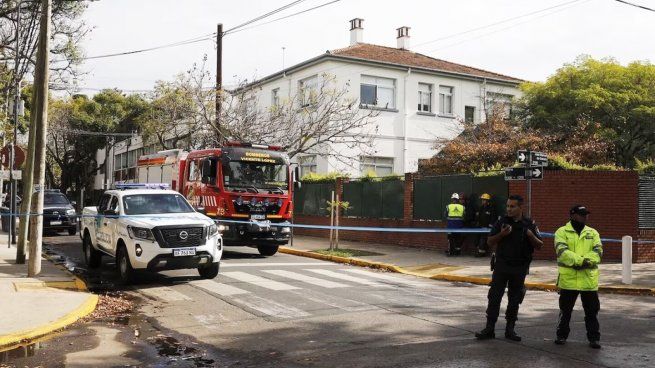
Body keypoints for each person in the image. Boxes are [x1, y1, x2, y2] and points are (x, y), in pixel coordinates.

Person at [475, 194, 543, 341]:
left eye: (512, 206)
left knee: (515, 299)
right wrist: (502, 234)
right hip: (501, 266)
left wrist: (530, 235)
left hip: (519, 268)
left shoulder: (529, 223)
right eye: (507, 206)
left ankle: (510, 329)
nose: (509, 209)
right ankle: (489, 328)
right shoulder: (502, 222)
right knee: (494, 297)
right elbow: (489, 242)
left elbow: (539, 245)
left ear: (520, 207)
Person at [553, 205, 603, 349]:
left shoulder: (593, 233)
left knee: (592, 312)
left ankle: (594, 339)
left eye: (586, 214)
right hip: (568, 281)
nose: (585, 217)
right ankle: (561, 336)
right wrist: (582, 261)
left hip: (588, 280)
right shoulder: (561, 232)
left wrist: (586, 261)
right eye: (582, 214)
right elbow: (562, 251)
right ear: (573, 215)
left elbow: (598, 251)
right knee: (565, 311)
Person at [474, 193, 497, 257]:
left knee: (483, 239)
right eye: (482, 200)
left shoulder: (491, 208)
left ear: (487, 201)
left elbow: (493, 218)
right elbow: (478, 217)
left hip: (487, 228)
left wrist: (490, 225)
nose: (483, 201)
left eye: (484, 200)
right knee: (476, 239)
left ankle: (481, 253)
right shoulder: (481, 208)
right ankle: (479, 251)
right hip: (480, 227)